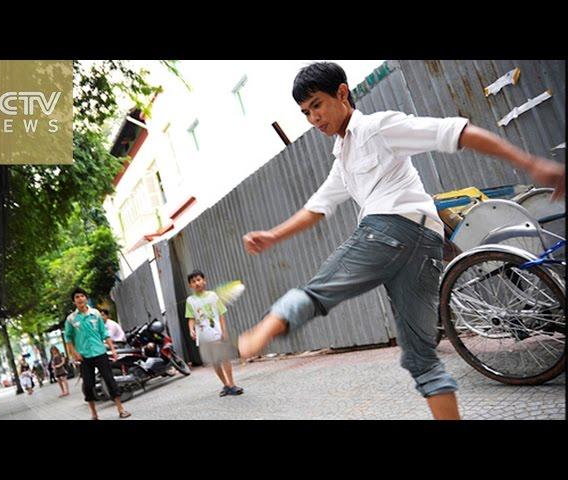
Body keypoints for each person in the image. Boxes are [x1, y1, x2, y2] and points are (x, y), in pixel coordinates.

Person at [236, 62, 565, 420]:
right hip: (425, 245)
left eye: (317, 105)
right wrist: (273, 235)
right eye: (305, 112)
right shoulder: (342, 157)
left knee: (320, 290)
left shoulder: (378, 127)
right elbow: (318, 207)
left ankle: (263, 331)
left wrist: (531, 163)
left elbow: (456, 131)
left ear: (342, 93)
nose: (313, 118)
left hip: (390, 230)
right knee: (421, 359)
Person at [64, 287, 131, 420]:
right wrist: (74, 353)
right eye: (76, 297)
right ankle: (94, 414)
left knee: (110, 380)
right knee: (88, 385)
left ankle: (121, 409)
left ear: (86, 298)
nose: (80, 299)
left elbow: (104, 333)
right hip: (84, 357)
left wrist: (112, 349)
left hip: (100, 352)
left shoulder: (95, 314)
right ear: (74, 302)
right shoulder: (71, 319)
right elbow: (68, 338)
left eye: (82, 296)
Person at [186, 270, 243, 397]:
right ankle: (226, 385)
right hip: (203, 336)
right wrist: (191, 329)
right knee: (215, 361)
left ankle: (232, 384)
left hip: (216, 332)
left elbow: (221, 314)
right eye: (193, 281)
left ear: (204, 281)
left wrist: (224, 330)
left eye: (199, 280)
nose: (197, 283)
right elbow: (191, 318)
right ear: (190, 285)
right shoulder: (190, 301)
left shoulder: (213, 296)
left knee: (224, 358)